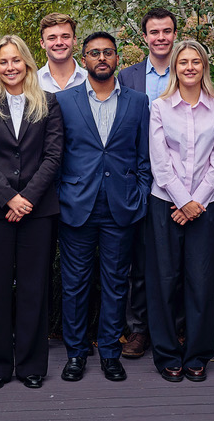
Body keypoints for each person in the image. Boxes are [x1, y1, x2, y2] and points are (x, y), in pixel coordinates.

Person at [54, 32, 151, 383]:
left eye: (107, 52)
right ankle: (76, 353)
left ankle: (110, 352)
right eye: (94, 53)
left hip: (120, 207)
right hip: (77, 206)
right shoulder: (63, 101)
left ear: (116, 58)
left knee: (115, 283)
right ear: (84, 58)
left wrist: (139, 194)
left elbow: (144, 157)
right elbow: (57, 156)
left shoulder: (138, 102)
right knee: (75, 283)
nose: (101, 58)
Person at [0, 35, 65, 389]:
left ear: (27, 63)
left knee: (33, 288)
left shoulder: (48, 103)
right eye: (3, 61)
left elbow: (53, 156)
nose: (10, 67)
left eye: (16, 61)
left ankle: (31, 366)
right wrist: (9, 198)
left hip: (38, 211)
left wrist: (27, 198)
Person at [145, 40, 214, 382]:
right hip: (164, 202)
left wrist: (196, 203)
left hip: (207, 203)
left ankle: (197, 354)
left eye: (196, 61)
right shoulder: (160, 107)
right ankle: (167, 354)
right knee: (164, 281)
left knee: (201, 281)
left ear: (204, 66)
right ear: (175, 68)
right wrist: (183, 201)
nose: (190, 67)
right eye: (184, 62)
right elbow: (160, 162)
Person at [117, 6, 178, 360]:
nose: (160, 37)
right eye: (154, 32)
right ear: (145, 37)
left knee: (176, 260)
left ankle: (175, 326)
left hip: (182, 183)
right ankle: (138, 330)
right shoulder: (128, 77)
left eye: (166, 31)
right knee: (138, 262)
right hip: (141, 181)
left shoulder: (188, 69)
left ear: (174, 34)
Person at [36, 13, 88, 93]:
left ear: (74, 40)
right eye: (52, 38)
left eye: (65, 37)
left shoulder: (89, 80)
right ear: (42, 43)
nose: (59, 43)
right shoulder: (33, 82)